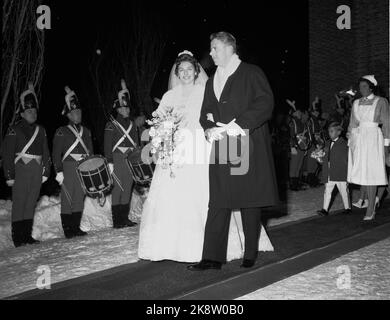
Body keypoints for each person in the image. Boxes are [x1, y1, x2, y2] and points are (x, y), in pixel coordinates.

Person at [139, 50, 273, 263]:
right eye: (181, 70)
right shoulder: (169, 96)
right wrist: (161, 142)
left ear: (196, 71)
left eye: (189, 69)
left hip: (200, 149)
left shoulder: (205, 90)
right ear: (176, 73)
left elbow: (215, 117)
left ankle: (206, 248)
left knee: (204, 195)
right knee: (171, 197)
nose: (185, 74)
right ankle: (169, 246)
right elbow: (160, 123)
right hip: (175, 154)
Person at [189, 31, 278, 271]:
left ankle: (250, 253)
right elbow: (205, 112)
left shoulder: (251, 73)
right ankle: (211, 257)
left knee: (248, 199)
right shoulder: (211, 81)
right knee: (218, 199)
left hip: (244, 142)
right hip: (221, 144)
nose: (211, 53)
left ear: (229, 48)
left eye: (215, 48)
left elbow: (265, 103)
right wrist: (208, 128)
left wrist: (239, 124)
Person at [2, 83, 51, 247]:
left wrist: (46, 171)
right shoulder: (14, 130)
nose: (33, 113)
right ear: (22, 113)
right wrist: (9, 175)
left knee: (31, 202)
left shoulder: (41, 130)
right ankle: (18, 238)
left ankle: (26, 235)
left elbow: (45, 152)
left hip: (36, 170)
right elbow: (7, 154)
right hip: (21, 170)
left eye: (34, 111)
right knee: (20, 203)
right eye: (29, 111)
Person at [53, 86, 94, 238]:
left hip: (83, 167)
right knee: (68, 198)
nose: (78, 114)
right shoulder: (61, 131)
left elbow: (90, 152)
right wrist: (58, 171)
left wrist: (90, 168)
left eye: (79, 111)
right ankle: (68, 229)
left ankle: (75, 227)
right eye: (75, 112)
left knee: (79, 196)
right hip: (68, 167)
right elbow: (56, 153)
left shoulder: (87, 131)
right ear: (69, 115)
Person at [347, 75, 389, 221]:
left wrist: (386, 146)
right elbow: (353, 123)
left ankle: (371, 208)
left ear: (371, 87)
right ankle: (370, 201)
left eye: (365, 86)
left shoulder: (381, 101)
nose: (362, 89)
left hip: (374, 138)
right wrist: (351, 141)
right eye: (360, 87)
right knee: (364, 173)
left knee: (373, 174)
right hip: (360, 139)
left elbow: (387, 125)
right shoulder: (356, 103)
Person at [104, 80, 138, 228]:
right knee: (118, 188)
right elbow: (107, 145)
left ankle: (124, 218)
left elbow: (135, 144)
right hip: (117, 159)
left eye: (128, 108)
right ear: (117, 109)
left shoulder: (132, 124)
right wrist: (109, 162)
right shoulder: (111, 125)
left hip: (129, 159)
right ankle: (117, 220)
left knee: (127, 187)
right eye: (123, 108)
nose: (126, 111)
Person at [317, 122, 351, 216]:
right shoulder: (327, 143)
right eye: (329, 131)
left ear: (339, 132)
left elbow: (347, 158)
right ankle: (324, 209)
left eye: (332, 131)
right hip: (329, 171)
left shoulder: (344, 144)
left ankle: (347, 208)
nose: (329, 133)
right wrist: (319, 157)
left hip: (340, 172)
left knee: (344, 191)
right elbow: (325, 156)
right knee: (327, 191)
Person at [287, 100, 307, 191]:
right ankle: (292, 184)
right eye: (298, 112)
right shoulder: (293, 122)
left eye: (300, 112)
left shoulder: (300, 122)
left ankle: (296, 183)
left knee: (299, 165)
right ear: (295, 113)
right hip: (296, 145)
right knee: (294, 165)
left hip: (302, 145)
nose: (300, 114)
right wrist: (292, 146)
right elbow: (291, 135)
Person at [305, 97, 324, 187]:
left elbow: (319, 132)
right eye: (315, 111)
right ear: (312, 112)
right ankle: (311, 180)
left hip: (317, 143)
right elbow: (311, 133)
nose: (317, 112)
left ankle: (313, 179)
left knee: (316, 162)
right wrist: (315, 143)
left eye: (317, 111)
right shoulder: (311, 120)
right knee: (312, 162)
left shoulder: (316, 120)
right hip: (313, 143)